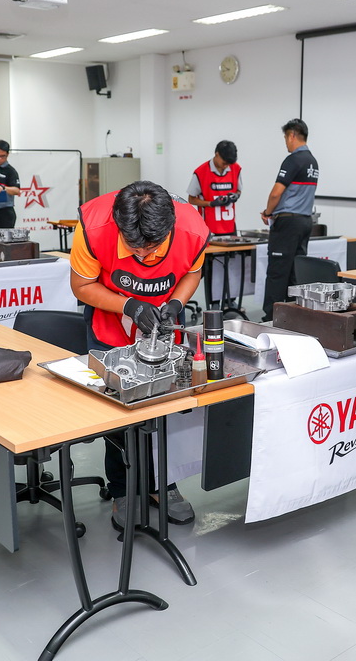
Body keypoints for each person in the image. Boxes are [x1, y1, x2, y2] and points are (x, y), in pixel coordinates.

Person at [70, 180, 211, 527]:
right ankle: (122, 488)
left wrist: (176, 302)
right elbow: (81, 285)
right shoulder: (93, 226)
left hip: (162, 327)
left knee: (167, 405)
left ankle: (164, 483)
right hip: (110, 324)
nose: (144, 258)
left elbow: (192, 273)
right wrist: (129, 305)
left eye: (152, 249)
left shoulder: (194, 230)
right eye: (135, 249)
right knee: (118, 409)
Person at [259, 118, 319, 321]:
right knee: (295, 272)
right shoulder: (313, 162)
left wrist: (268, 212)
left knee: (277, 272)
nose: (286, 142)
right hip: (305, 222)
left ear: (292, 135)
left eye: (286, 137)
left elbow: (276, 193)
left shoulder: (293, 160)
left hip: (287, 224)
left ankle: (271, 318)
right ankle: (294, 317)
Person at [187, 140, 242, 236]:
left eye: (229, 164)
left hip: (230, 226)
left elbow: (238, 190)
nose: (226, 166)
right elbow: (191, 199)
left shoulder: (236, 168)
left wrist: (236, 195)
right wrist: (210, 203)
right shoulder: (200, 172)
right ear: (217, 154)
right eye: (224, 163)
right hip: (208, 228)